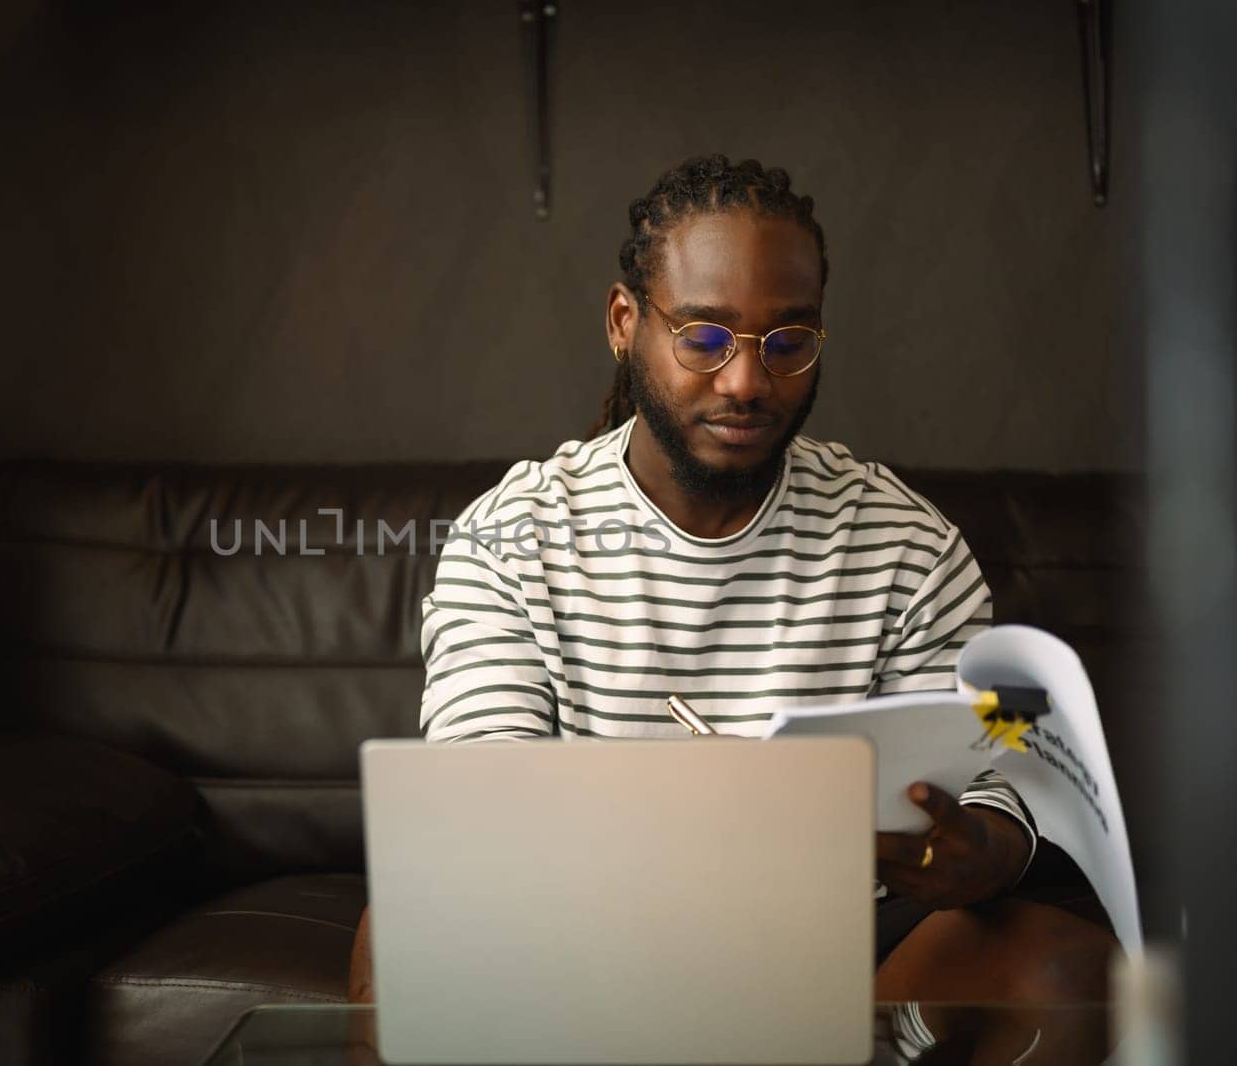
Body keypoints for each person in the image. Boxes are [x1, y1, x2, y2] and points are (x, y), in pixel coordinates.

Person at [348, 156, 1114, 1053]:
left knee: (1067, 969)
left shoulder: (906, 542)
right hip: (583, 939)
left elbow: (994, 768)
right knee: (399, 931)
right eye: (705, 339)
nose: (748, 382)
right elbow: (482, 802)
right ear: (625, 322)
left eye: (787, 342)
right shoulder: (514, 536)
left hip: (850, 946)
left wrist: (986, 846)